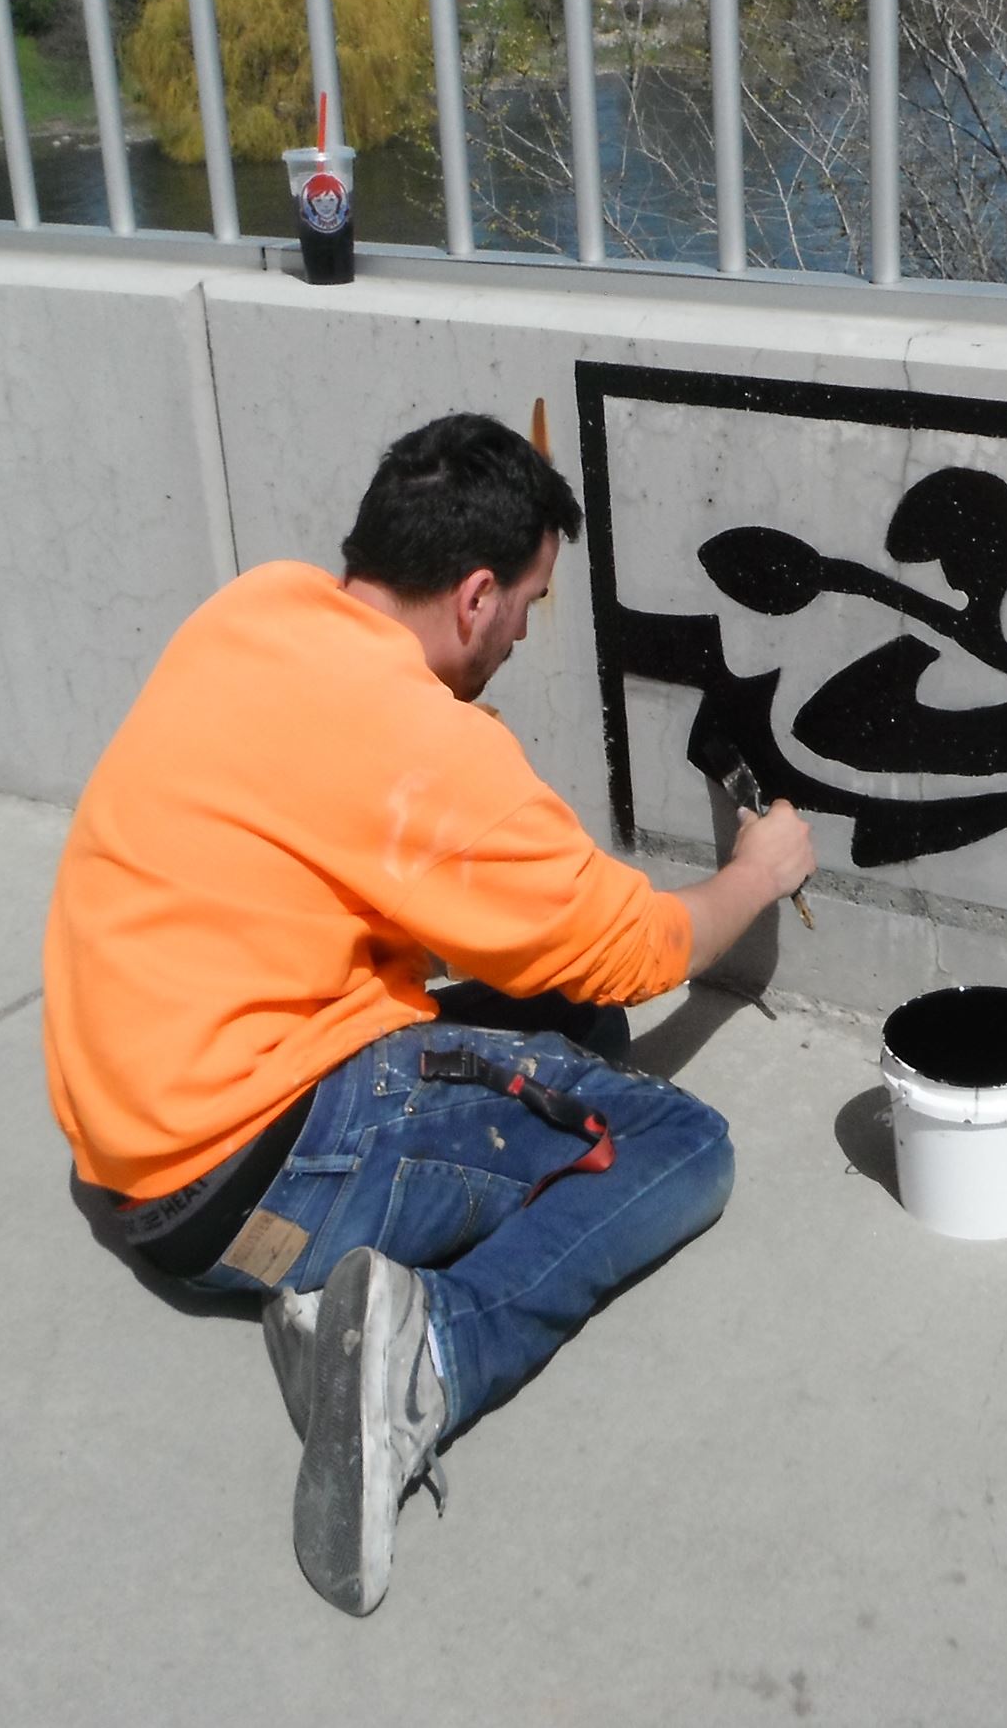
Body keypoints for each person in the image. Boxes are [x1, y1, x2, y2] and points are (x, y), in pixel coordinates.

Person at [42, 412, 815, 1616]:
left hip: (131, 1156)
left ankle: (355, 1300)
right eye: (526, 604)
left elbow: (416, 888)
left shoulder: (254, 611)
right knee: (677, 1146)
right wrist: (753, 878)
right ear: (472, 598)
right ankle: (426, 1359)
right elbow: (638, 949)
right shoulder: (421, 747)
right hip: (249, 1179)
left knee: (565, 1023)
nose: (520, 629)